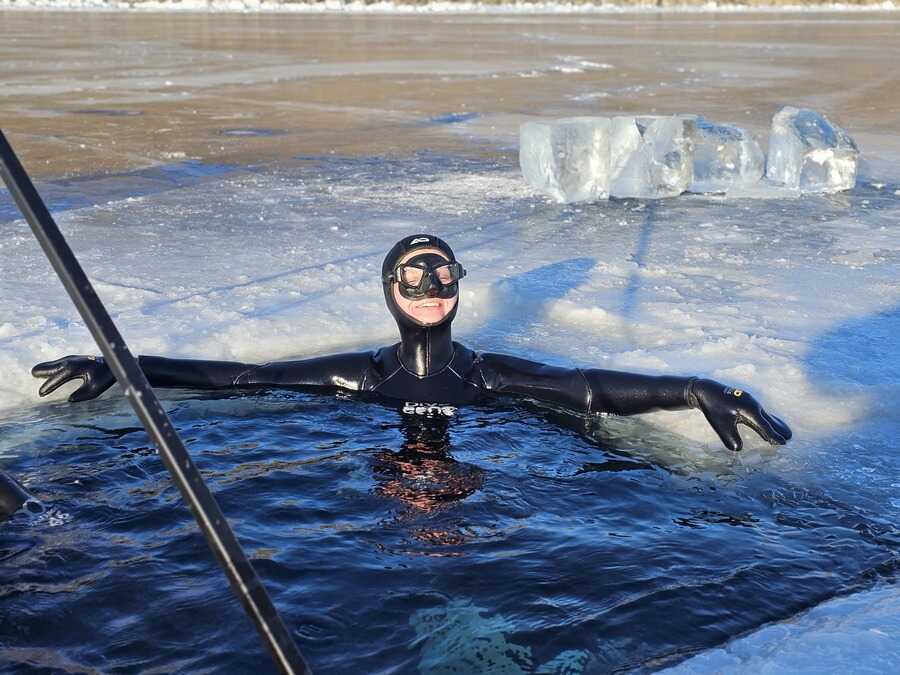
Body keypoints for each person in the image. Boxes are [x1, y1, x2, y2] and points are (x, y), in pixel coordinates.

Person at [30, 234, 791, 456]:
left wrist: (692, 387)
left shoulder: (488, 376)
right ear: (387, 288)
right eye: (413, 274)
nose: (430, 286)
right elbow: (241, 376)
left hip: (484, 505)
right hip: (388, 521)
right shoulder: (359, 377)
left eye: (441, 273)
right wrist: (116, 365)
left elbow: (588, 386)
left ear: (460, 283)